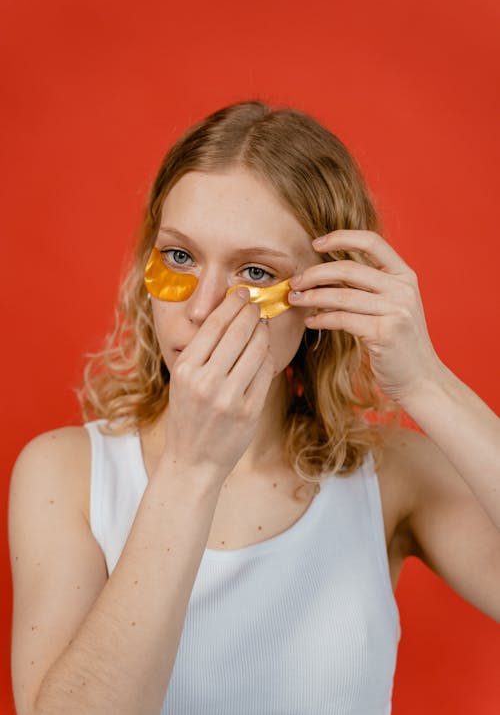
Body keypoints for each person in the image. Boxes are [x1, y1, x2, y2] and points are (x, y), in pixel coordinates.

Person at [9, 100, 500, 715]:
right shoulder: (65, 475)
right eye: (180, 256)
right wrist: (191, 467)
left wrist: (427, 383)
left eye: (254, 270)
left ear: (324, 297)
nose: (202, 306)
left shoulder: (391, 476)